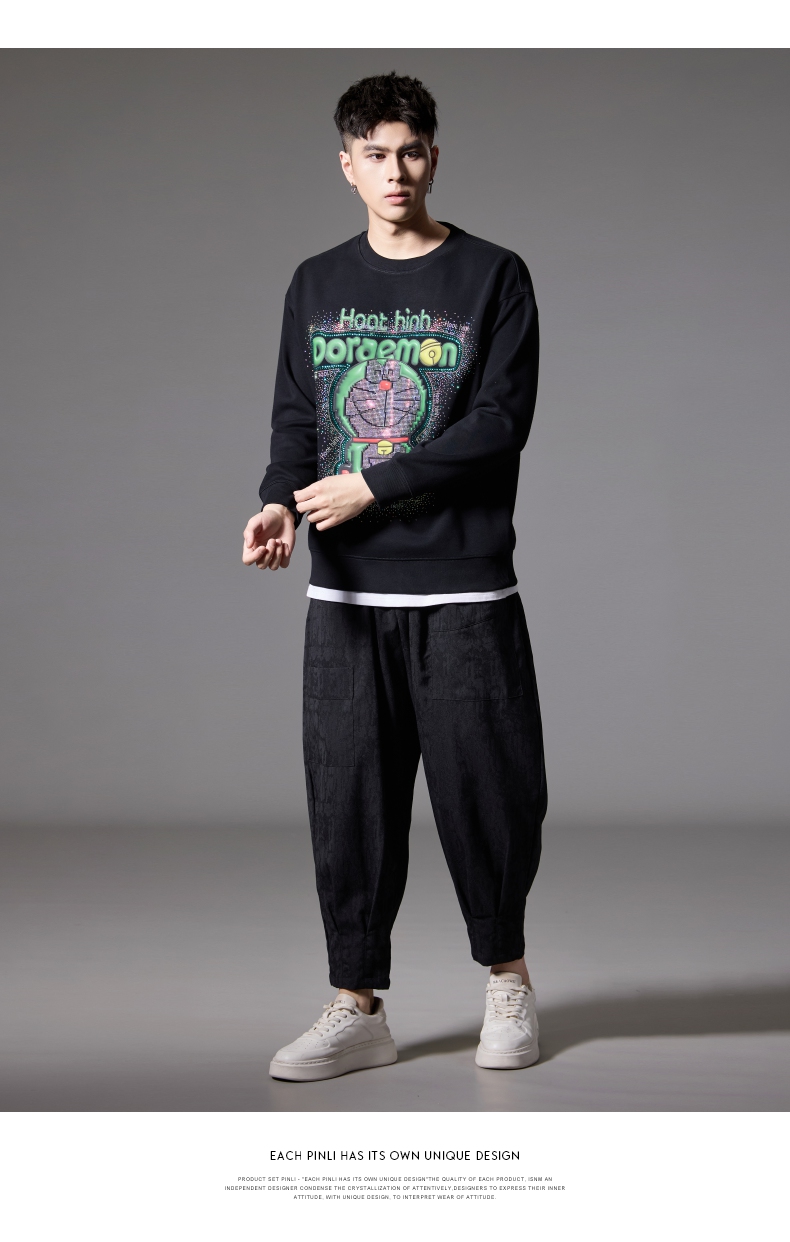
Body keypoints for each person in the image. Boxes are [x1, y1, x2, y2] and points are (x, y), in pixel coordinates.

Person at [243, 72, 547, 1081]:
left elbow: (498, 424)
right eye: (374, 154)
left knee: (489, 793)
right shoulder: (315, 281)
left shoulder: (493, 276)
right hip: (346, 595)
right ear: (347, 165)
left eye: (410, 150)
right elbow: (297, 417)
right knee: (349, 804)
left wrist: (373, 485)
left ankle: (506, 980)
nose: (395, 170)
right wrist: (279, 503)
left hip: (463, 589)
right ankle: (356, 1004)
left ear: (434, 156)